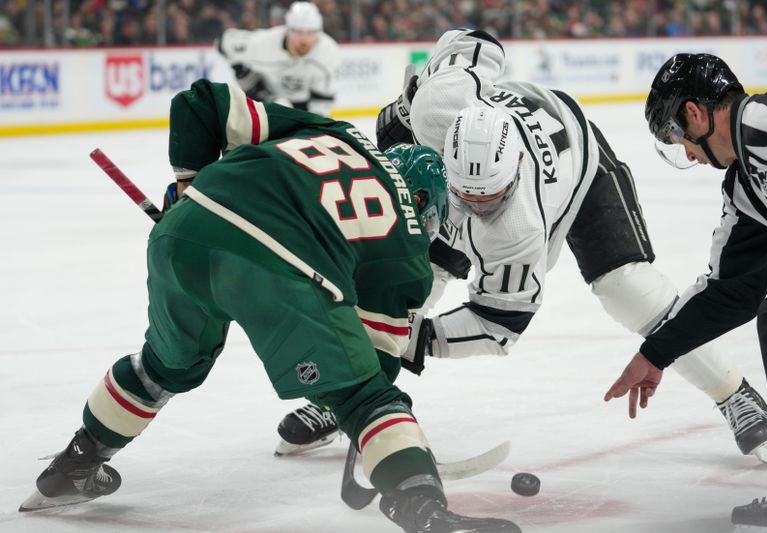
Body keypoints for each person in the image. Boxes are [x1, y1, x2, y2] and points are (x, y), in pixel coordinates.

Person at [19, 79, 521, 533]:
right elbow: (378, 366)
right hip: (276, 266)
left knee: (164, 367)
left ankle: (76, 463)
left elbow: (199, 103)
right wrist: (369, 414)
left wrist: (189, 189)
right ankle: (422, 509)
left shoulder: (336, 131)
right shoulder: (408, 244)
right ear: (423, 200)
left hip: (183, 232)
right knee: (365, 398)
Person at [273, 28, 767, 467]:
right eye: (469, 199)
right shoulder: (438, 107)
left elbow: (498, 325)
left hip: (579, 158)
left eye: (492, 199)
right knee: (408, 276)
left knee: (629, 289)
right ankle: (348, 390)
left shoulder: (519, 228)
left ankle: (735, 394)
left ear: (511, 177)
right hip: (476, 146)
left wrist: (420, 339)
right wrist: (412, 100)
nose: (480, 211)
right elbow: (475, 43)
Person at [605, 52, 767, 529]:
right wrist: (655, 353)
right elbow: (730, 291)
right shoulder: (749, 187)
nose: (688, 153)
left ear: (695, 113)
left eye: (677, 138)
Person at [217, 1, 340, 117]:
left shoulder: (328, 51)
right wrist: (249, 81)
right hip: (267, 100)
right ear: (288, 30)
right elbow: (223, 42)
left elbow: (322, 101)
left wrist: (314, 125)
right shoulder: (265, 43)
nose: (304, 39)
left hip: (303, 104)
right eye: (298, 32)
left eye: (310, 32)